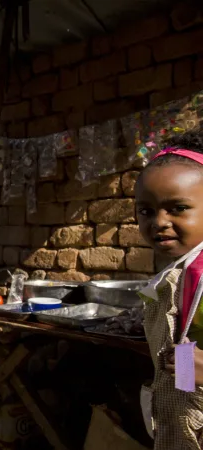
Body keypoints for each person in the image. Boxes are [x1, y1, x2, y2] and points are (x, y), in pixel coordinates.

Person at [136, 132, 203, 449]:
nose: (159, 222)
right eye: (146, 211)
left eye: (177, 208)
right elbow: (186, 356)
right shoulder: (182, 270)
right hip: (186, 419)